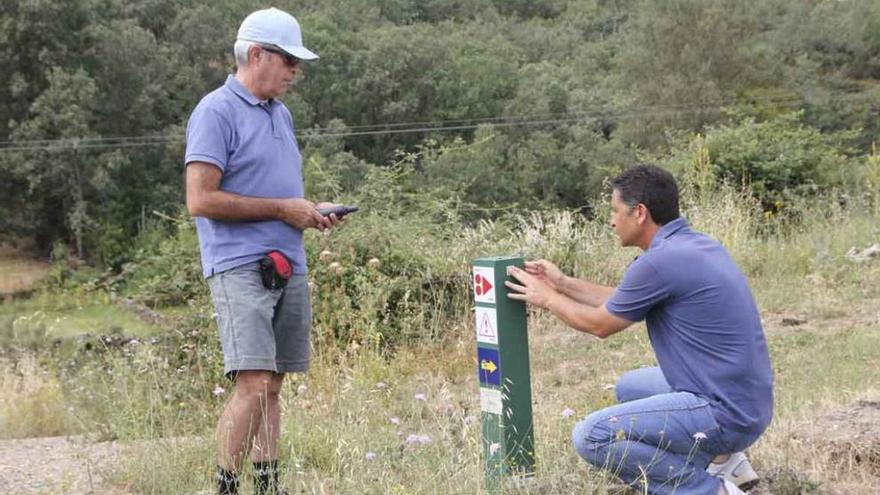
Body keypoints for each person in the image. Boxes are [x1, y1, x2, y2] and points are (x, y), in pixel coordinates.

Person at [506, 164, 773, 495]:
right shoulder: (694, 246)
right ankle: (728, 460)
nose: (611, 221)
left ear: (640, 213)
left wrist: (546, 298)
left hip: (725, 412)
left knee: (591, 436)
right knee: (630, 387)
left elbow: (600, 325)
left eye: (616, 211)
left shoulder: (660, 262)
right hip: (748, 399)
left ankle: (709, 489)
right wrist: (561, 284)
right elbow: (621, 301)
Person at [184, 8, 342, 495]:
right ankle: (226, 488)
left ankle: (269, 486)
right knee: (252, 381)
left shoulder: (281, 112)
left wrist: (309, 211)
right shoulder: (215, 111)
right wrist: (282, 209)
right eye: (289, 59)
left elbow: (275, 193)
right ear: (256, 54)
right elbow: (200, 199)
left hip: (287, 263)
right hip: (239, 266)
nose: (296, 70)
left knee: (274, 384)